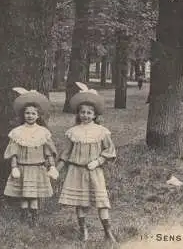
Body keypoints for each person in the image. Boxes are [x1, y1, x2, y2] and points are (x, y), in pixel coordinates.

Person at [56, 82, 117, 243]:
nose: (85, 115)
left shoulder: (101, 131)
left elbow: (109, 150)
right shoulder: (73, 132)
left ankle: (108, 232)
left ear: (95, 115)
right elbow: (66, 153)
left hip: (94, 170)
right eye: (82, 112)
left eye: (89, 113)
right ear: (78, 113)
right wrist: (57, 169)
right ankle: (83, 230)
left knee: (101, 202)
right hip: (77, 171)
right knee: (81, 202)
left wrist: (98, 161)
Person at [3, 88, 59, 227]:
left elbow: (48, 152)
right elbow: (14, 152)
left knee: (33, 195)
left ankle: (34, 219)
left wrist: (51, 166)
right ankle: (24, 216)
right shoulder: (17, 132)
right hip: (22, 167)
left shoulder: (43, 132)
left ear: (38, 116)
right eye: (27, 113)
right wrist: (14, 167)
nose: (30, 116)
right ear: (23, 115)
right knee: (23, 194)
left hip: (37, 168)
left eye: (33, 113)